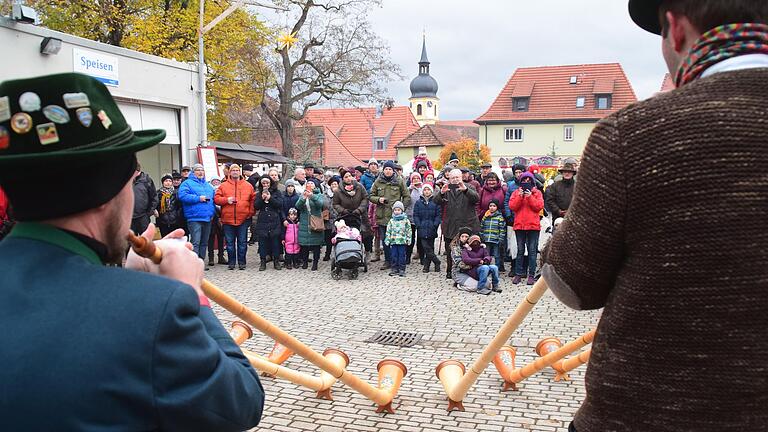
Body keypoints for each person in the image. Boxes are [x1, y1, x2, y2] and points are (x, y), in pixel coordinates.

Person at [542, 2, 768, 431]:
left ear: (675, 29)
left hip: (647, 412)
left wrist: (564, 231)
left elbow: (573, 284)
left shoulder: (634, 134)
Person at [0, 73, 264, 430]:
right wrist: (188, 292)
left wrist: (126, 278)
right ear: (111, 190)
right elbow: (241, 402)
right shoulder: (157, 308)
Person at [434, 168, 480, 280]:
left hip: (467, 224)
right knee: (450, 249)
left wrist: (465, 190)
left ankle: (469, 270)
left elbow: (476, 199)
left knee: (468, 249)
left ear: (462, 177)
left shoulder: (469, 187)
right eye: (453, 178)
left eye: (457, 177)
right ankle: (449, 270)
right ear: (449, 179)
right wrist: (441, 193)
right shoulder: (446, 188)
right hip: (451, 224)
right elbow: (435, 201)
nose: (455, 180)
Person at [369, 160, 410, 270]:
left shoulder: (399, 181)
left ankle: (398, 261)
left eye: (390, 169)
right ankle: (387, 261)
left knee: (397, 240)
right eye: (386, 169)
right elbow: (371, 196)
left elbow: (407, 197)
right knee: (385, 240)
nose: (388, 171)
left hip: (396, 217)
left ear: (393, 171)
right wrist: (378, 199)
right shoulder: (378, 182)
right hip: (382, 216)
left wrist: (401, 209)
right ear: (383, 170)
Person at [214, 164, 255, 270]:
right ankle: (231, 263)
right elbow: (216, 199)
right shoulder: (223, 185)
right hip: (228, 219)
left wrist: (250, 213)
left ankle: (242, 263)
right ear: (230, 172)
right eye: (233, 170)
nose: (235, 172)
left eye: (237, 170)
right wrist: (226, 200)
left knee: (242, 242)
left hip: (243, 219)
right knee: (229, 243)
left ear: (240, 172)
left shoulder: (248, 185)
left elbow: (252, 200)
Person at [509, 172, 543, 285]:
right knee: (520, 251)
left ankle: (531, 275)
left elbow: (538, 207)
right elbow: (513, 206)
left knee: (532, 251)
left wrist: (529, 197)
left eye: (529, 180)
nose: (526, 182)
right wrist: (520, 196)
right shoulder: (515, 193)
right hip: (520, 226)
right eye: (524, 180)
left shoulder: (537, 193)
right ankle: (518, 274)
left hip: (533, 226)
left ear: (532, 182)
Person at [178, 164, 216, 262]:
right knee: (195, 241)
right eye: (197, 170)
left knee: (204, 242)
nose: (200, 172)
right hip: (194, 218)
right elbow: (182, 196)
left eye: (202, 170)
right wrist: (198, 198)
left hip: (207, 218)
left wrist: (212, 213)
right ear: (193, 172)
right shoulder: (187, 183)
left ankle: (201, 262)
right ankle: (193, 262)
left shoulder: (208, 186)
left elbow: (213, 200)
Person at [333, 169, 372, 259]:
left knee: (365, 234)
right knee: (347, 234)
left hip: (360, 214)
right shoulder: (338, 191)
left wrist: (359, 209)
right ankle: (347, 252)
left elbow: (365, 198)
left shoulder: (359, 187)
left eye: (350, 176)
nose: (348, 178)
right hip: (345, 215)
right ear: (342, 179)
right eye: (346, 177)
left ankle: (367, 252)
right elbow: (335, 204)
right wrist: (343, 210)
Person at [254, 175, 284, 271]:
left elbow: (279, 204)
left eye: (267, 183)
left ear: (270, 183)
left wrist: (270, 198)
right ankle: (263, 261)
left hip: (274, 219)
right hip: (263, 220)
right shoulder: (258, 193)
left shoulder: (277, 192)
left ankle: (276, 261)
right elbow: (256, 206)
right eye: (263, 183)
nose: (265, 185)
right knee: (262, 242)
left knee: (275, 241)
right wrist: (262, 199)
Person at [295, 181, 325, 270]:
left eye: (312, 183)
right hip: (304, 222)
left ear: (315, 185)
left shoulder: (319, 194)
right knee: (304, 245)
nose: (310, 185)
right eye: (308, 183)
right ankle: (305, 262)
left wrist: (312, 196)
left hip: (315, 221)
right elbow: (297, 206)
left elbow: (320, 204)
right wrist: (303, 198)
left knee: (316, 244)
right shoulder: (302, 194)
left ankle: (315, 263)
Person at [413, 183, 441, 273]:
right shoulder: (418, 202)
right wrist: (418, 224)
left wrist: (435, 224)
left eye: (428, 190)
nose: (426, 191)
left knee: (431, 247)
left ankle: (427, 266)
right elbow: (416, 215)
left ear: (431, 191)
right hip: (422, 228)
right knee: (425, 247)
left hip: (431, 228)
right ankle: (437, 261)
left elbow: (438, 215)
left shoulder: (435, 202)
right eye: (425, 190)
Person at [480, 199, 506, 285]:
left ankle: (496, 271)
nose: (492, 208)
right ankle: (486, 270)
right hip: (487, 239)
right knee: (487, 256)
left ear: (497, 207)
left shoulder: (499, 217)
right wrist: (482, 236)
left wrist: (501, 238)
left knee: (497, 256)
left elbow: (502, 229)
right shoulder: (485, 216)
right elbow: (482, 226)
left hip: (496, 240)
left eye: (494, 206)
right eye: (490, 206)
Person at [384, 201, 412, 277]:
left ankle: (402, 269)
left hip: (402, 241)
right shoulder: (391, 221)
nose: (397, 212)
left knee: (402, 255)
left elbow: (408, 230)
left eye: (398, 210)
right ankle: (394, 268)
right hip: (393, 241)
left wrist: (409, 239)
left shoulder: (405, 220)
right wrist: (387, 239)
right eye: (395, 210)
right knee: (394, 255)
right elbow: (388, 231)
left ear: (402, 210)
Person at [131, 163, 158, 235]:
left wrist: (148, 213)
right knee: (130, 242)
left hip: (143, 217)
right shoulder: (126, 181)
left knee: (145, 241)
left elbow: (154, 198)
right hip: (130, 218)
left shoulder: (147, 180)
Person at [449, 227, 479, 292]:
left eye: (466, 237)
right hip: (459, 272)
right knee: (476, 287)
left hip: (472, 271)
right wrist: (475, 263)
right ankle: (459, 285)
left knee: (487, 285)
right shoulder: (455, 248)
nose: (464, 239)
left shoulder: (472, 246)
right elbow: (460, 264)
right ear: (459, 237)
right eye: (462, 236)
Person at [207, 177, 226, 267]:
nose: (216, 182)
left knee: (221, 237)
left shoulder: (222, 189)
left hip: (222, 216)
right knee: (211, 237)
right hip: (212, 216)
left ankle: (221, 256)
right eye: (214, 181)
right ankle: (211, 257)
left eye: (217, 181)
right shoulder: (209, 189)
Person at [405, 172, 423, 262]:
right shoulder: (408, 189)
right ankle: (407, 257)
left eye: (417, 178)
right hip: (410, 216)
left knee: (420, 238)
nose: (416, 180)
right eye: (414, 178)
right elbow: (404, 199)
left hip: (420, 217)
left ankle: (420, 255)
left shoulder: (423, 189)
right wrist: (410, 189)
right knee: (410, 238)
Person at [322, 176, 340, 261]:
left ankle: (338, 254)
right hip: (328, 219)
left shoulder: (341, 194)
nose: (334, 185)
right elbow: (324, 205)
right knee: (328, 238)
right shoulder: (325, 195)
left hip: (338, 219)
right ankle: (327, 254)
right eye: (332, 184)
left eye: (335, 184)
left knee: (338, 238)